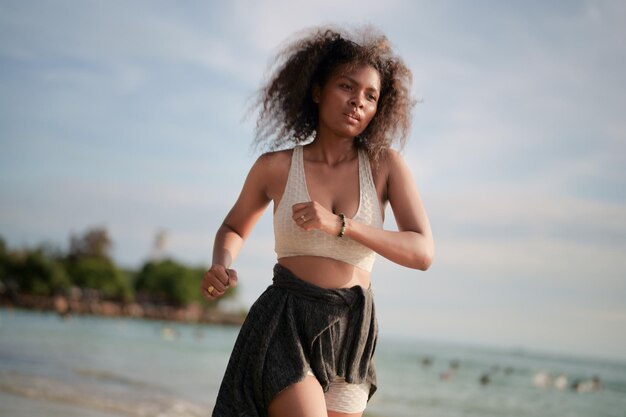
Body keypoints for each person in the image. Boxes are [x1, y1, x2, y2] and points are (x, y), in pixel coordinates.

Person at [202, 26, 434, 417]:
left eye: (370, 96)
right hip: (285, 322)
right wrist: (221, 263)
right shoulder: (275, 167)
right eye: (346, 86)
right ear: (317, 91)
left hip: (352, 332)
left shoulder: (385, 166)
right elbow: (235, 227)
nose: (357, 102)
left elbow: (422, 251)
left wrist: (341, 225)